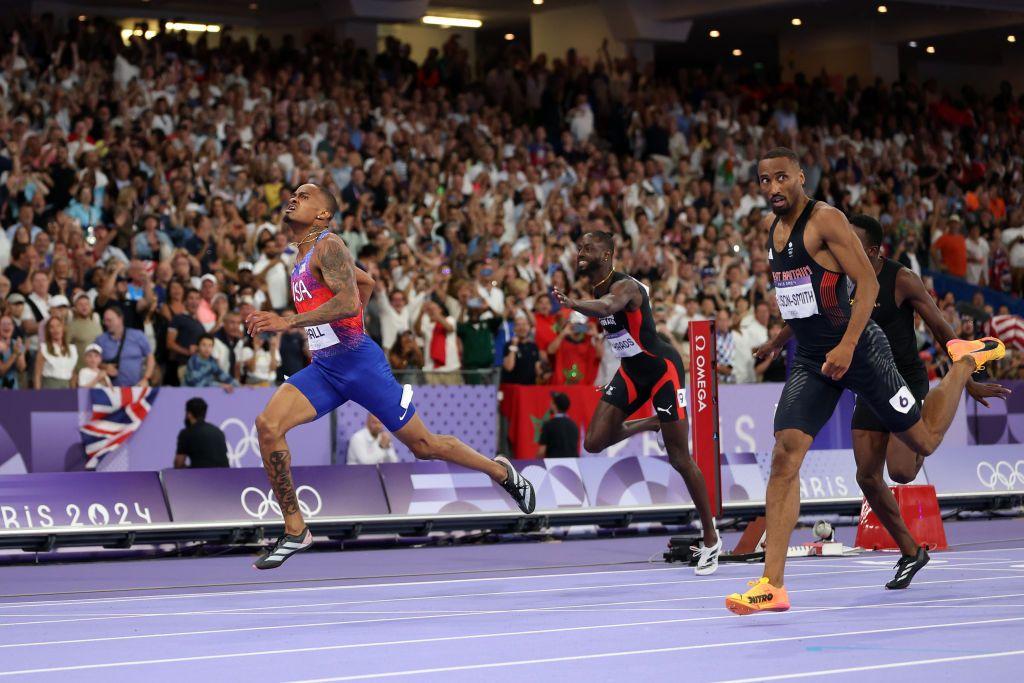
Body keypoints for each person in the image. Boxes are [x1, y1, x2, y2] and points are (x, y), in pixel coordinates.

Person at [728, 148, 1005, 615]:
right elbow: (804, 300)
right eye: (764, 181)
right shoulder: (775, 232)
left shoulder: (827, 220)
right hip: (814, 358)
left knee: (922, 440)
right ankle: (772, 585)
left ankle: (961, 363)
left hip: (862, 352)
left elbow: (868, 286)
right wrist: (781, 341)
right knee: (784, 455)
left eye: (781, 178)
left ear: (800, 176)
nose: (773, 188)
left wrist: (848, 346)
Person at [245, 183, 535, 569]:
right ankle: (296, 529)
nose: (294, 198)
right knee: (268, 426)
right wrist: (350, 324)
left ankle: (501, 472)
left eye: (306, 196)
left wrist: (291, 321)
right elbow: (366, 284)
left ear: (323, 215)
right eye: (294, 194)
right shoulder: (300, 255)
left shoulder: (329, 245)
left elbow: (348, 299)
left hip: (361, 366)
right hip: (327, 367)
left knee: (425, 446)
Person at [845, 215, 1008, 587]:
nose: (844, 248)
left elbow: (939, 327)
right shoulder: (841, 278)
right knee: (867, 476)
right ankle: (911, 552)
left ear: (871, 250)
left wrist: (970, 379)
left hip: (903, 380)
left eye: (852, 242)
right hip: (869, 384)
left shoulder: (901, 279)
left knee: (901, 472)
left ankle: (944, 396)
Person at [553, 231, 722, 575]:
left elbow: (608, 308)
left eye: (589, 248)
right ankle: (650, 423)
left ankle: (711, 538)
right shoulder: (597, 286)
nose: (581, 252)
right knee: (595, 441)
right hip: (631, 372)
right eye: (579, 247)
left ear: (608, 254)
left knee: (680, 457)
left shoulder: (625, 287)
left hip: (662, 372)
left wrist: (573, 305)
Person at [96, 307, 155, 387]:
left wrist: (145, 378)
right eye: (105, 320)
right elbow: (92, 361)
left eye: (109, 320)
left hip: (137, 387)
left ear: (120, 319)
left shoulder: (137, 336)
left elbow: (150, 357)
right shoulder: (100, 340)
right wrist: (105, 367)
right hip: (111, 390)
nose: (106, 323)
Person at [174, 397, 230, 468]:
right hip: (225, 476)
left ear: (189, 414)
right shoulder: (218, 432)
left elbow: (179, 464)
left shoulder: (186, 433)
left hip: (201, 477)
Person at [34, 316, 77, 388]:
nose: (55, 329)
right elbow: (37, 375)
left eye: (58, 326)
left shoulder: (72, 349)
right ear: (48, 331)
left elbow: (72, 374)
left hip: (66, 388)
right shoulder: (44, 348)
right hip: (49, 388)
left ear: (63, 328)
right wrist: (37, 396)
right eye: (52, 327)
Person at [537, 392, 580, 457]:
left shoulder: (548, 425)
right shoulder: (574, 425)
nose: (549, 405)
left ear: (554, 406)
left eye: (551, 402)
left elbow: (541, 452)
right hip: (572, 464)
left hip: (553, 465)